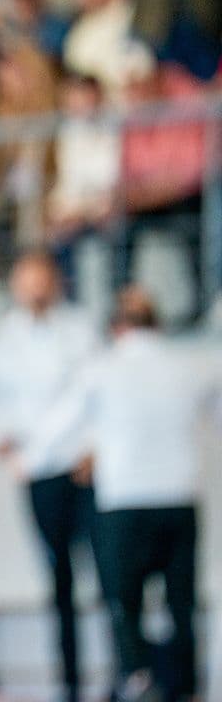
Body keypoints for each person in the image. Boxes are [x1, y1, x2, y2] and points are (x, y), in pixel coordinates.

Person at [77, 287, 220, 702]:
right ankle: (185, 687)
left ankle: (137, 679)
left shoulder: (98, 368)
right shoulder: (190, 366)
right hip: (179, 495)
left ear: (116, 327)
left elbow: (68, 432)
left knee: (124, 602)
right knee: (181, 605)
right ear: (158, 323)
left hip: (123, 501)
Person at [0, 251, 100, 702]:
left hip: (84, 469)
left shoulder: (81, 328)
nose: (34, 290)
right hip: (39, 474)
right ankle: (69, 683)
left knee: (107, 577)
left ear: (55, 282)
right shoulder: (2, 338)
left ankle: (125, 677)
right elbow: (1, 411)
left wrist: (91, 447)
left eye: (41, 280)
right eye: (26, 281)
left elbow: (95, 396)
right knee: (59, 580)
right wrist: (17, 448)